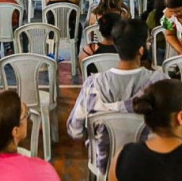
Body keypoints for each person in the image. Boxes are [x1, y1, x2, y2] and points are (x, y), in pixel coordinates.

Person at [69, 18, 163, 171]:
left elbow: (75, 129)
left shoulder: (93, 84)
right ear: (141, 49)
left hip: (105, 161)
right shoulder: (160, 82)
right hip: (148, 161)